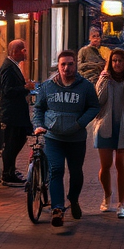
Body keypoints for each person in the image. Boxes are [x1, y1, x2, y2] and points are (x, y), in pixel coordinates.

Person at [33, 50, 100, 227]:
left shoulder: (85, 86)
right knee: (56, 170)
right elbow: (38, 108)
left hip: (76, 138)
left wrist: (80, 123)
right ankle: (57, 209)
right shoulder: (48, 86)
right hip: (53, 137)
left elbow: (94, 107)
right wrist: (38, 125)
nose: (66, 68)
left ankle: (74, 198)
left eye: (70, 64)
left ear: (75, 65)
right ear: (58, 66)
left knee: (76, 172)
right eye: (63, 64)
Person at [94, 49, 124, 218]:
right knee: (105, 166)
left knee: (121, 165)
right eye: (114, 60)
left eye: (120, 60)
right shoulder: (104, 77)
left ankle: (122, 204)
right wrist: (103, 81)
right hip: (105, 126)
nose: (117, 64)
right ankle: (107, 196)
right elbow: (98, 100)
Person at [0, 39, 36, 186]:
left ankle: (11, 170)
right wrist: (26, 87)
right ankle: (7, 174)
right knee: (12, 142)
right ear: (15, 51)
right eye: (23, 50)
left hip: (16, 113)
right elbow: (8, 91)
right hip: (11, 114)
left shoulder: (14, 66)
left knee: (19, 139)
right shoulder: (8, 68)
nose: (26, 52)